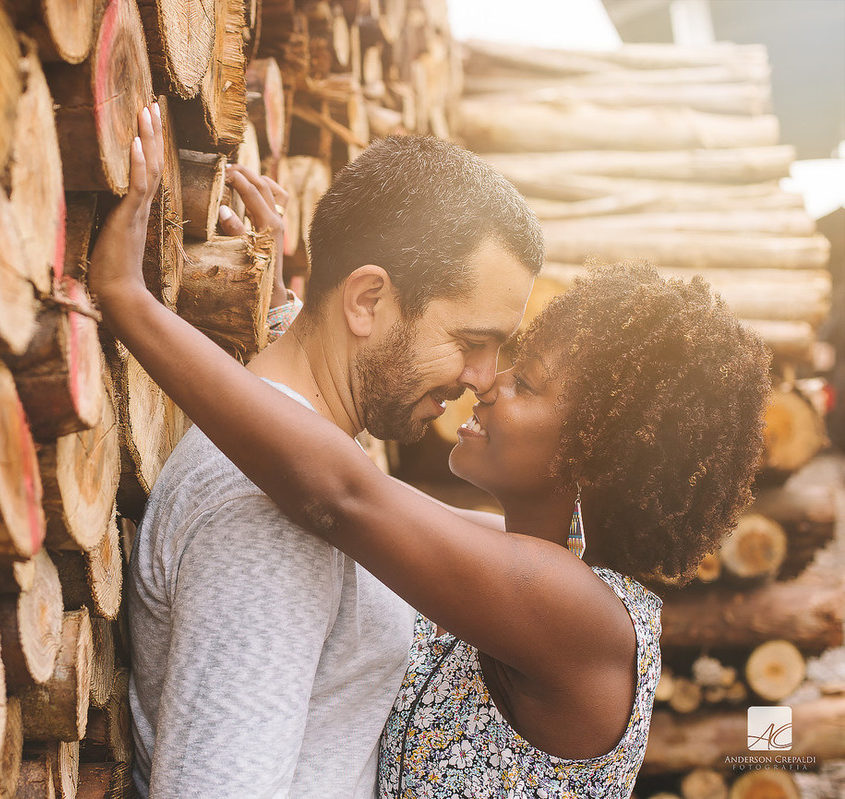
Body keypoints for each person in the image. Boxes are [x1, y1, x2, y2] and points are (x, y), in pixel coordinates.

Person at [92, 106, 772, 797]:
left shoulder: (573, 609)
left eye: (526, 381)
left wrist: (127, 298)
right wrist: (311, 316)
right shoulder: (521, 561)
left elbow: (344, 496)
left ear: (592, 457)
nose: (488, 381)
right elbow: (356, 484)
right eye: (480, 347)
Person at [119, 108, 545, 798]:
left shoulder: (311, 457)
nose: (481, 378)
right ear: (367, 300)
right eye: (471, 341)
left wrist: (293, 311)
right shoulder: (265, 511)